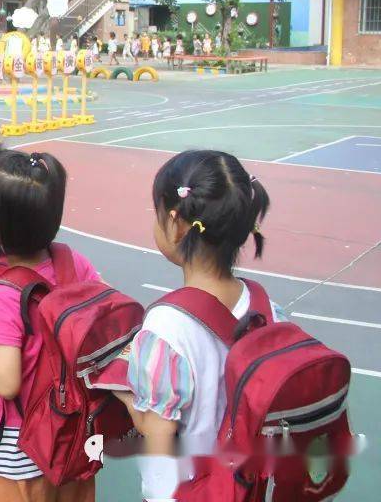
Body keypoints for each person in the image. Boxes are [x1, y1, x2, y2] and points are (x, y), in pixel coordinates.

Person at [119, 150, 284, 501]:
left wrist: (123, 395)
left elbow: (159, 436)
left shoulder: (165, 326)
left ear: (176, 223)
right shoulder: (268, 309)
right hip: (245, 486)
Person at [0, 150, 102, 502]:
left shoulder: (4, 293)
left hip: (23, 443)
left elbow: (6, 381)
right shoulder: (74, 262)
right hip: (78, 433)